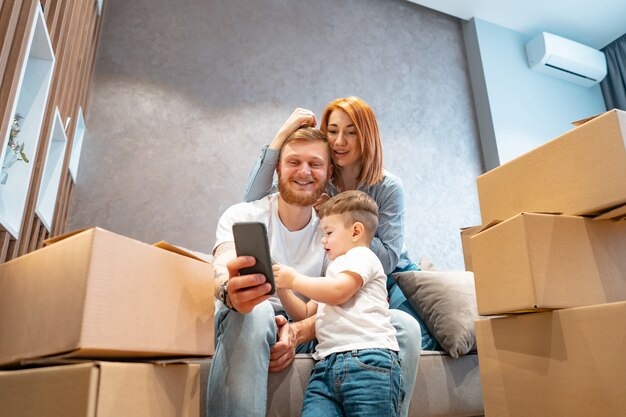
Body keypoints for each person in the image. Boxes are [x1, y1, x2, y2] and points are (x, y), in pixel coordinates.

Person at [207, 126, 421, 417]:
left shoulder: (333, 233)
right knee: (255, 313)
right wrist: (229, 293)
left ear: (329, 171)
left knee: (403, 326)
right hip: (251, 319)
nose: (304, 172)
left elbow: (330, 302)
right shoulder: (242, 214)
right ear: (278, 169)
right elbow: (221, 269)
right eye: (294, 162)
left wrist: (295, 331)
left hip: (310, 326)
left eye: (315, 164)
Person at [244, 97, 438, 353]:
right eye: (333, 131)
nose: (339, 142)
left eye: (350, 133)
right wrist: (280, 136)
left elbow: (388, 259)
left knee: (419, 340)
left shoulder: (388, 186)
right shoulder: (320, 178)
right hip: (342, 272)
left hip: (388, 275)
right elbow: (253, 198)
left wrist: (336, 210)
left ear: (366, 137)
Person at [273, 190, 403, 416]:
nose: (323, 239)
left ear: (356, 231)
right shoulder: (334, 272)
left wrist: (295, 279)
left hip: (368, 359)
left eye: (329, 232)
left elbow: (339, 292)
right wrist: (283, 288)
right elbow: (304, 312)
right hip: (326, 365)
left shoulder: (363, 257)